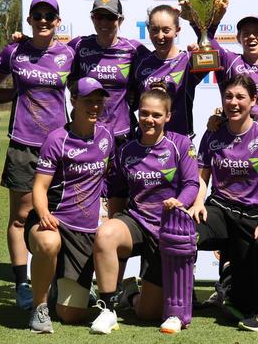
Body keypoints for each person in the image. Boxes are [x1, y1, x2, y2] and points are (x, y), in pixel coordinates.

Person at [90, 82, 200, 334]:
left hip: (169, 231)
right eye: (144, 113)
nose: (149, 119)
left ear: (168, 116)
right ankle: (107, 309)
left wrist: (180, 202)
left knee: (147, 313)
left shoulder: (180, 144)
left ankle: (130, 294)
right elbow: (116, 191)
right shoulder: (126, 150)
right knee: (106, 235)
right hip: (137, 222)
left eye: (156, 114)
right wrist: (114, 221)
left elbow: (192, 183)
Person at [0, 0, 74, 310]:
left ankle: (59, 283)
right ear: (29, 20)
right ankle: (22, 284)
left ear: (57, 21)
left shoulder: (69, 54)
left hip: (59, 148)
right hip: (22, 144)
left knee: (60, 217)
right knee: (21, 217)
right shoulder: (14, 52)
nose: (43, 20)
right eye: (37, 15)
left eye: (49, 16)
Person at [190, 74, 258, 331]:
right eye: (229, 96)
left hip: (252, 215)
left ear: (253, 100)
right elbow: (202, 177)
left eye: (240, 97)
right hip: (219, 209)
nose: (233, 102)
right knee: (184, 232)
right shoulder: (213, 133)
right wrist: (198, 202)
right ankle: (178, 303)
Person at [24, 78, 114, 333]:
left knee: (71, 315)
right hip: (53, 220)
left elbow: (105, 180)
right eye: (88, 101)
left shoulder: (106, 137)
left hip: (83, 232)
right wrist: (43, 215)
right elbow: (39, 187)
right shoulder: (57, 139)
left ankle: (57, 291)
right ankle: (39, 308)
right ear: (73, 101)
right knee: (49, 242)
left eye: (99, 101)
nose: (95, 107)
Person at [67, 0, 150, 143]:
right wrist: (25, 42)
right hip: (86, 130)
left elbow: (160, 65)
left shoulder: (134, 49)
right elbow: (52, 56)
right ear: (92, 18)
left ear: (120, 20)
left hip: (121, 132)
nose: (104, 22)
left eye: (110, 17)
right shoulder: (79, 45)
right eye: (99, 16)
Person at [132, 5, 209, 138]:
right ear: (148, 30)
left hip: (179, 143)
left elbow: (214, 58)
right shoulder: (140, 63)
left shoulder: (188, 60)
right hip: (146, 141)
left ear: (177, 30)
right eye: (154, 30)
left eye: (166, 30)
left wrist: (198, 30)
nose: (160, 36)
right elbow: (130, 101)